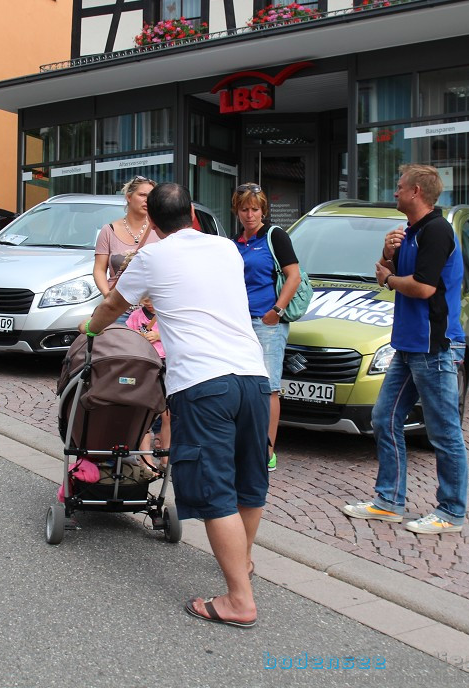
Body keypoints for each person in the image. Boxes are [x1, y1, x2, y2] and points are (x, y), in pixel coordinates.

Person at [79, 183, 270, 628]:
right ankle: (243, 565)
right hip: (254, 377)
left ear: (154, 222)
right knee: (250, 479)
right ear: (192, 214)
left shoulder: (150, 256)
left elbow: (113, 305)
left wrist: (90, 330)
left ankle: (239, 601)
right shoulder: (225, 247)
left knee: (214, 489)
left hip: (205, 383)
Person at [342, 164, 469, 535]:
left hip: (434, 347)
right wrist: (386, 255)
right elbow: (388, 272)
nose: (394, 193)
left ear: (416, 191)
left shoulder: (437, 231)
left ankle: (450, 511)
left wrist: (389, 278)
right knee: (384, 418)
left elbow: (424, 288)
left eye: (399, 187)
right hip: (409, 346)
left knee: (444, 432)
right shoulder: (411, 232)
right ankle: (388, 502)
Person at [232, 182, 302, 473]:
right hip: (239, 323)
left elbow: (294, 276)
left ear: (264, 210)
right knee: (242, 385)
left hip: (267, 323)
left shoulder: (275, 236)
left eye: (255, 209)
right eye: (245, 209)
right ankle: (243, 444)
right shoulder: (236, 243)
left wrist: (276, 311)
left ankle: (267, 450)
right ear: (236, 211)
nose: (250, 215)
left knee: (269, 388)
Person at [93, 176, 158, 324]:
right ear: (129, 197)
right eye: (142, 195)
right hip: (119, 310)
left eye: (151, 197)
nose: (147, 200)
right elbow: (99, 269)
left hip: (151, 313)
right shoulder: (108, 230)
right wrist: (108, 296)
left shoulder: (159, 229)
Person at [125, 297, 170, 468]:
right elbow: (127, 335)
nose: (149, 302)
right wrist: (137, 335)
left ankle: (165, 458)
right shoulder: (136, 316)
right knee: (144, 413)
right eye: (145, 299)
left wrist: (159, 335)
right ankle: (146, 461)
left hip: (166, 363)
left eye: (153, 298)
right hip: (145, 363)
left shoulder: (167, 313)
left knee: (168, 415)